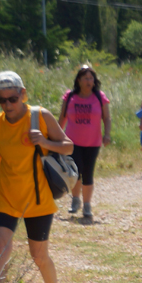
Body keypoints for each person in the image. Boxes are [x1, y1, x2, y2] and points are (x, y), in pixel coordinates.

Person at [0, 70, 74, 283]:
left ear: (23, 94)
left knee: (38, 255)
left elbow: (68, 146)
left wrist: (44, 140)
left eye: (12, 99)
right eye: (1, 101)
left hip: (37, 198)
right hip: (5, 196)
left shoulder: (40, 116)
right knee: (1, 246)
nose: (8, 105)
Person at [58, 64, 112, 221]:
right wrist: (57, 136)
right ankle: (75, 200)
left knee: (88, 173)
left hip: (93, 142)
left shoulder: (99, 97)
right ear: (79, 80)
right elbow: (62, 118)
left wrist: (107, 134)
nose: (89, 81)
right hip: (72, 141)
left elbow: (107, 117)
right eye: (86, 78)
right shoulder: (69, 97)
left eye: (91, 78)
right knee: (75, 171)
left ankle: (87, 205)